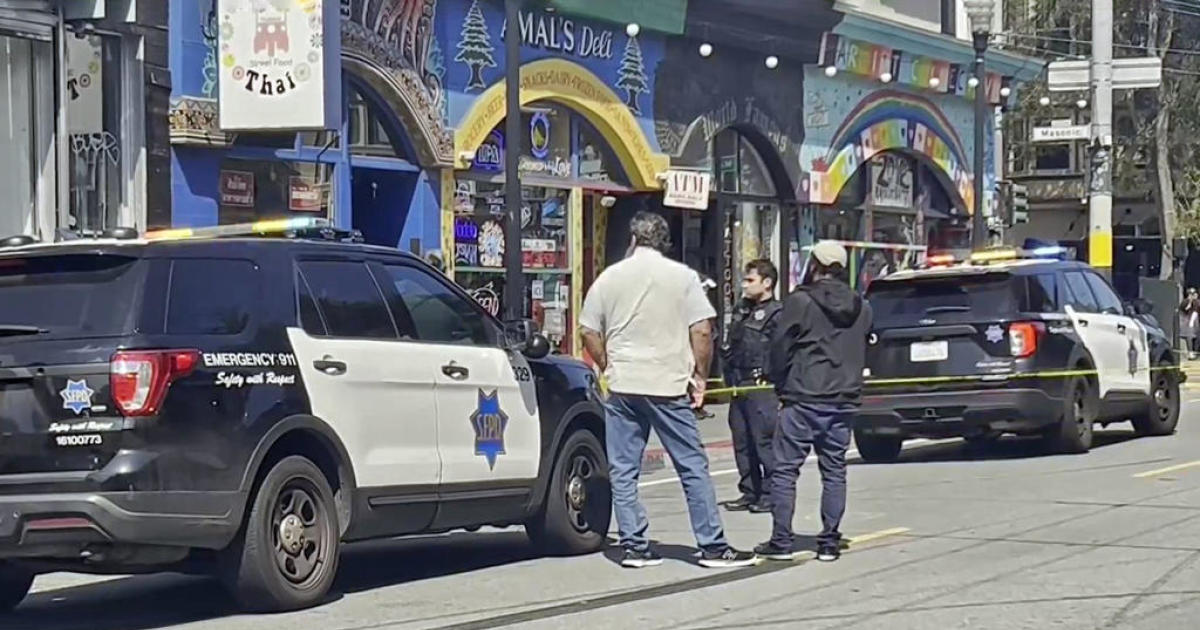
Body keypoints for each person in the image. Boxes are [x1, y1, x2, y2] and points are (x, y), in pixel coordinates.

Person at [580, 211, 759, 569]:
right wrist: (701, 376)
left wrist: (608, 364)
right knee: (692, 465)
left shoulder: (609, 277)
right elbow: (702, 329)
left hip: (624, 383)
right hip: (667, 382)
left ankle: (634, 545)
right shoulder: (683, 277)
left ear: (633, 239)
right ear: (664, 242)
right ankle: (711, 545)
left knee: (624, 468)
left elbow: (588, 330)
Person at [756, 241, 872, 563]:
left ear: (816, 264)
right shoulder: (861, 305)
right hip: (843, 399)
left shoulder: (801, 301)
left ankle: (781, 540)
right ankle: (829, 541)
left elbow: (781, 346)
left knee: (785, 471)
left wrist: (777, 381)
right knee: (834, 470)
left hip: (804, 395)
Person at [719, 259, 783, 514]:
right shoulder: (741, 310)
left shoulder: (777, 313)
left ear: (767, 283)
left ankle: (770, 493)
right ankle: (750, 490)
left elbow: (781, 350)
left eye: (750, 280)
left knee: (763, 442)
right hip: (739, 382)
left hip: (762, 384)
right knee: (742, 442)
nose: (744, 285)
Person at [1181, 288, 1199, 360]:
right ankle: (1190, 353)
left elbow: (1196, 310)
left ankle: (1194, 352)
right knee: (1189, 337)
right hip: (1188, 322)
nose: (1194, 295)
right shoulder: (1185, 301)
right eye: (1192, 294)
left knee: (1196, 338)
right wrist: (1189, 302)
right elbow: (1184, 309)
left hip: (1195, 322)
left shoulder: (1196, 302)